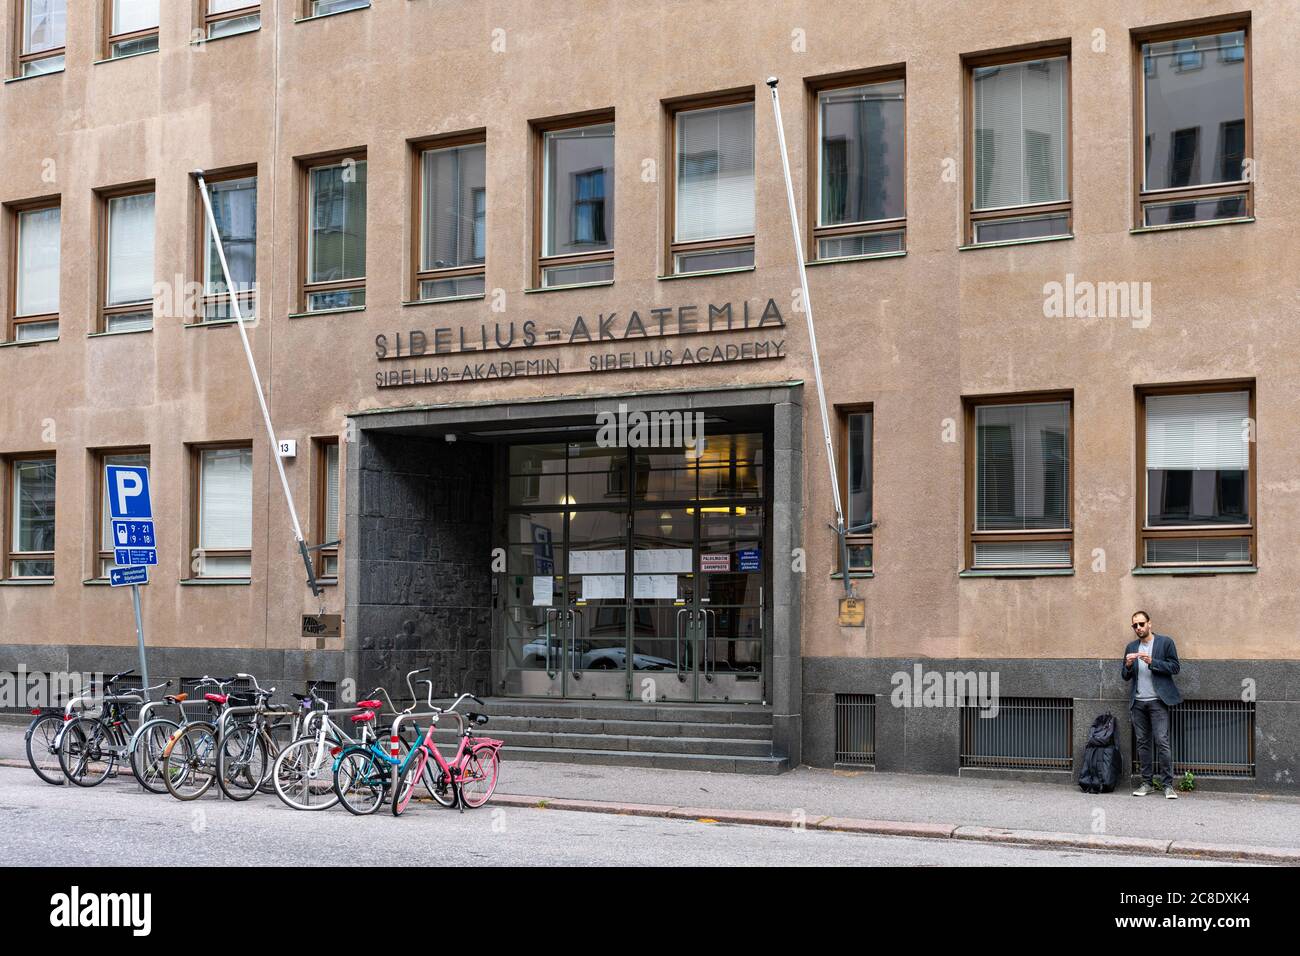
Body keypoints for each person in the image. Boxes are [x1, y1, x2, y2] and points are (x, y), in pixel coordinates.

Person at [1122, 610, 1183, 799]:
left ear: (1150, 623)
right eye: (1135, 625)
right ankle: (1147, 783)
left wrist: (1153, 662)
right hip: (1138, 702)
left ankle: (1167, 785)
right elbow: (1124, 676)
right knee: (1142, 744)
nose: (1138, 628)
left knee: (1162, 741)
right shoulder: (1131, 646)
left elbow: (1175, 667)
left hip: (1158, 701)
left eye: (1141, 624)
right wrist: (1128, 665)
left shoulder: (1165, 642)